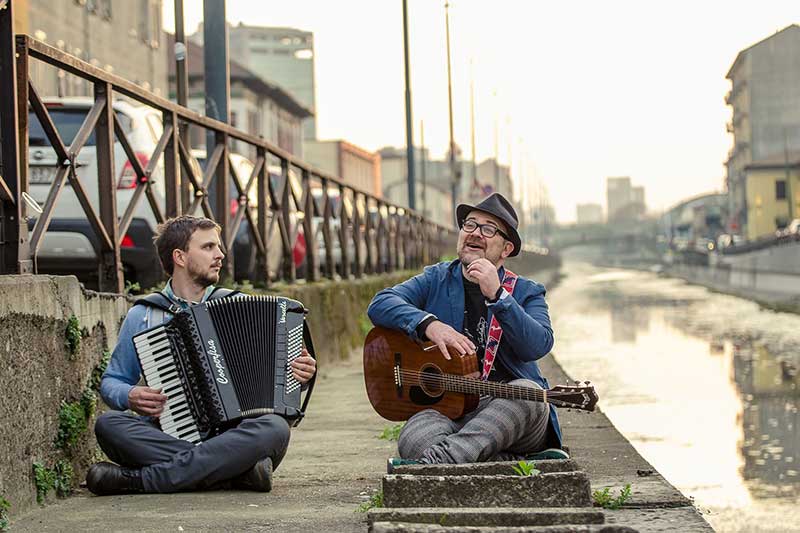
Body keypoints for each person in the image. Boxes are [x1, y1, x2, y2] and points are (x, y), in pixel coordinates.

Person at [87, 215, 317, 495]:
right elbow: (113, 381)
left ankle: (142, 480)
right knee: (108, 424)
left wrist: (300, 375)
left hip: (237, 434)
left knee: (275, 427)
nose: (220, 255)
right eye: (208, 247)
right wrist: (129, 396)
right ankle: (237, 474)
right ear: (179, 257)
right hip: (171, 434)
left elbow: (280, 382)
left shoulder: (239, 305)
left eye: (218, 247)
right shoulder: (144, 315)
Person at [367, 192, 564, 468]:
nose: (474, 234)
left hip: (508, 411)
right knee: (413, 434)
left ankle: (439, 461)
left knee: (527, 394)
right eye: (469, 224)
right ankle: (501, 462)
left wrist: (498, 296)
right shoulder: (436, 278)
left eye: (488, 229)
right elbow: (380, 304)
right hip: (450, 411)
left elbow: (538, 344)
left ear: (506, 250)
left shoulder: (526, 292)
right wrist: (429, 325)